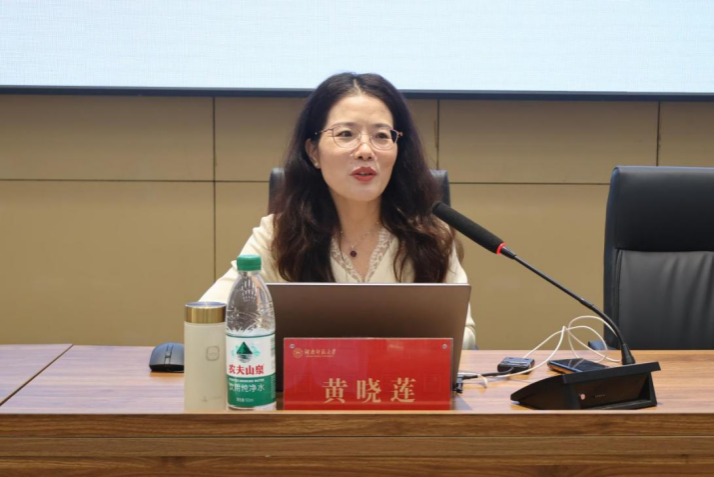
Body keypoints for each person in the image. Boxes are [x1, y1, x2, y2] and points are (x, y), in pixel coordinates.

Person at [200, 72, 476, 349]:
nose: (366, 150)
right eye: (346, 134)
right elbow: (213, 318)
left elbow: (464, 335)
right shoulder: (278, 234)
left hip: (407, 378)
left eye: (381, 135)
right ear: (313, 152)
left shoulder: (430, 236)